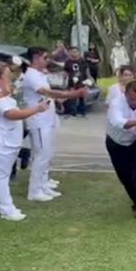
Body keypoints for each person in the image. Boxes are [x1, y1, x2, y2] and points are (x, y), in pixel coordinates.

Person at [0, 62, 53, 221]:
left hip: (6, 140)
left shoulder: (1, 94)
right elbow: (11, 114)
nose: (10, 78)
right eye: (7, 75)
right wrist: (37, 109)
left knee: (2, 176)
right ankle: (7, 209)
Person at [21, 48, 86, 202]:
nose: (47, 60)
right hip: (38, 120)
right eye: (45, 57)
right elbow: (48, 92)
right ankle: (34, 191)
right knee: (41, 155)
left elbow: (50, 95)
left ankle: (43, 184)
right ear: (35, 58)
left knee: (47, 153)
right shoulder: (31, 75)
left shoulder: (40, 74)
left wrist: (64, 97)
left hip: (47, 118)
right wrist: (73, 94)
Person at [106, 80, 136, 218]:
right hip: (116, 143)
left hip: (135, 142)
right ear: (125, 94)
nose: (135, 102)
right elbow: (117, 122)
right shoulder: (116, 104)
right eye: (132, 99)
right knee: (125, 177)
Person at [64, 46, 91, 117]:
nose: (74, 53)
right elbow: (66, 72)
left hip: (82, 81)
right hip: (72, 82)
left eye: (76, 51)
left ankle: (82, 112)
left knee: (82, 97)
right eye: (72, 52)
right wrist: (65, 80)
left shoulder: (82, 61)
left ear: (78, 52)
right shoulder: (68, 62)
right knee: (73, 97)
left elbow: (87, 72)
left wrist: (89, 81)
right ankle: (73, 112)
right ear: (70, 53)